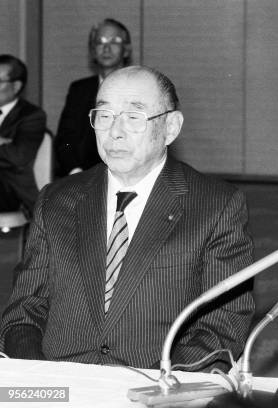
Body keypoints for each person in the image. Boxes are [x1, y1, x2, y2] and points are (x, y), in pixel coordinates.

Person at [0, 66, 255, 371]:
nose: (115, 131)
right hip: (60, 382)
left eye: (133, 117)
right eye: (104, 116)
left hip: (154, 386)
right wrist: (44, 381)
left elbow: (222, 325)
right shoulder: (56, 199)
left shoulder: (215, 205)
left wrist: (160, 391)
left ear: (171, 127)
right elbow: (24, 310)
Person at [54, 18, 132, 177]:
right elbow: (65, 141)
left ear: (127, 49)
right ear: (92, 51)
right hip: (81, 177)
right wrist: (75, 172)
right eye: (100, 42)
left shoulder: (141, 88)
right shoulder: (79, 90)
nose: (107, 48)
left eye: (114, 41)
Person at [0, 54, 47, 216]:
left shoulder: (32, 115)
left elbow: (19, 157)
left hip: (12, 192)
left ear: (16, 86)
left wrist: (9, 149)